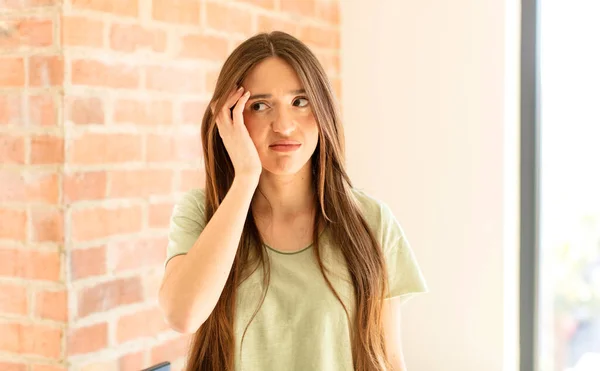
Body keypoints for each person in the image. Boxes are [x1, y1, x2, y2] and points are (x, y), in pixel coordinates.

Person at [158, 31, 427, 371]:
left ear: (323, 109)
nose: (283, 126)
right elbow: (182, 315)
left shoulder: (370, 220)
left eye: (300, 102)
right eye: (259, 105)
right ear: (230, 118)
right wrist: (244, 179)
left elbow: (389, 360)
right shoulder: (203, 212)